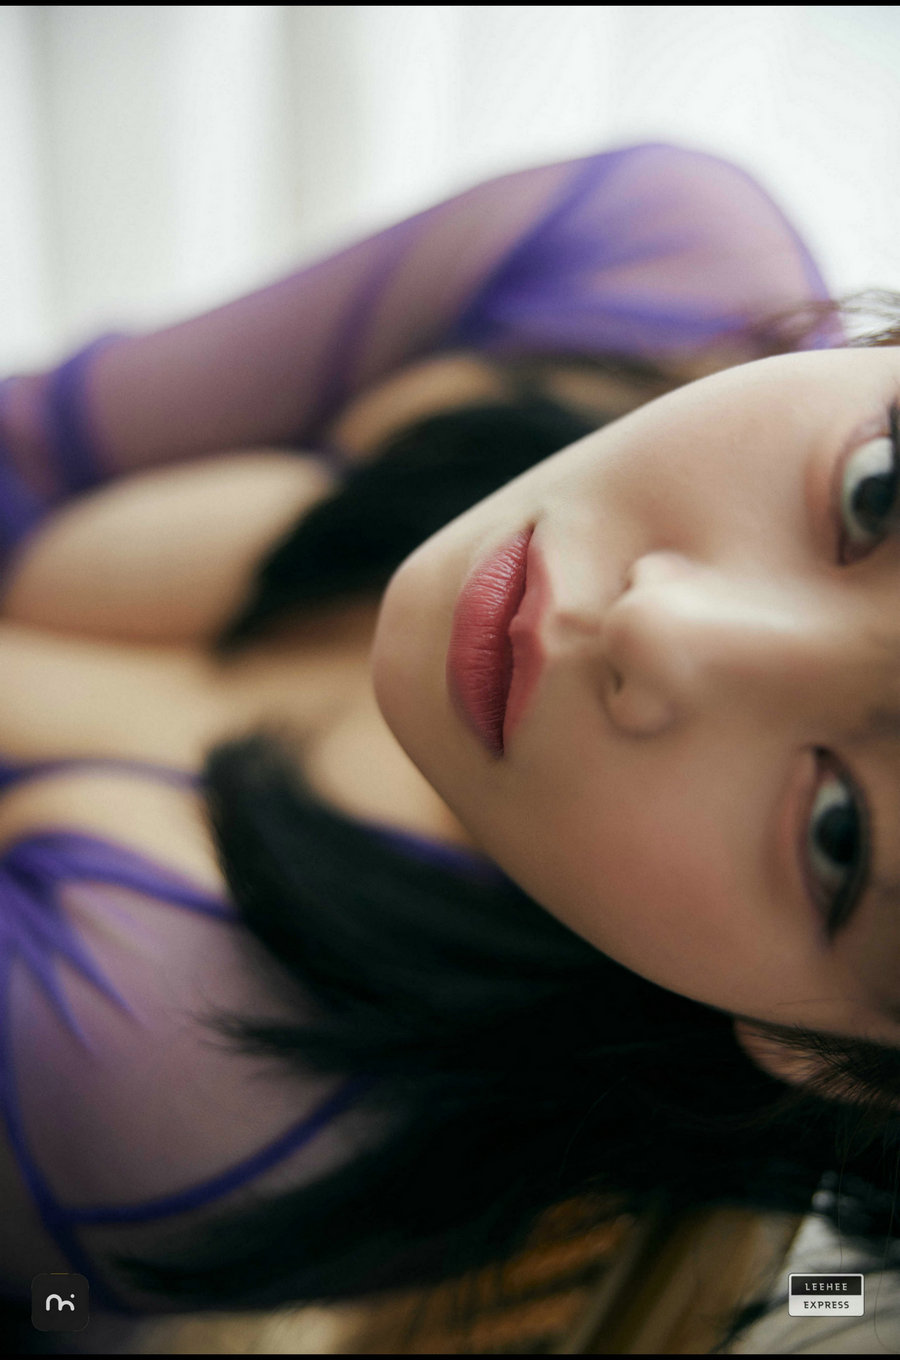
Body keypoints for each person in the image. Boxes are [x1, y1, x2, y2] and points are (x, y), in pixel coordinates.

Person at [0, 139, 897, 1351]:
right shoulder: (649, 261)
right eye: (878, 492)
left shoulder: (188, 1085)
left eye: (839, 835)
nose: (661, 627)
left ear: (822, 1052)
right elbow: (28, 437)